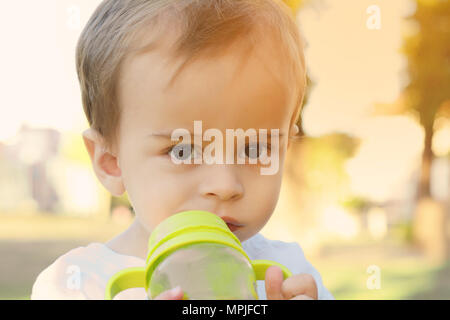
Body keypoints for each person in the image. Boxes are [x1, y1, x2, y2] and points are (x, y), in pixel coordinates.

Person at [31, 0, 334, 300]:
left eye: (254, 149)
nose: (225, 185)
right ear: (111, 162)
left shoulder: (289, 275)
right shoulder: (77, 284)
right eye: (183, 151)